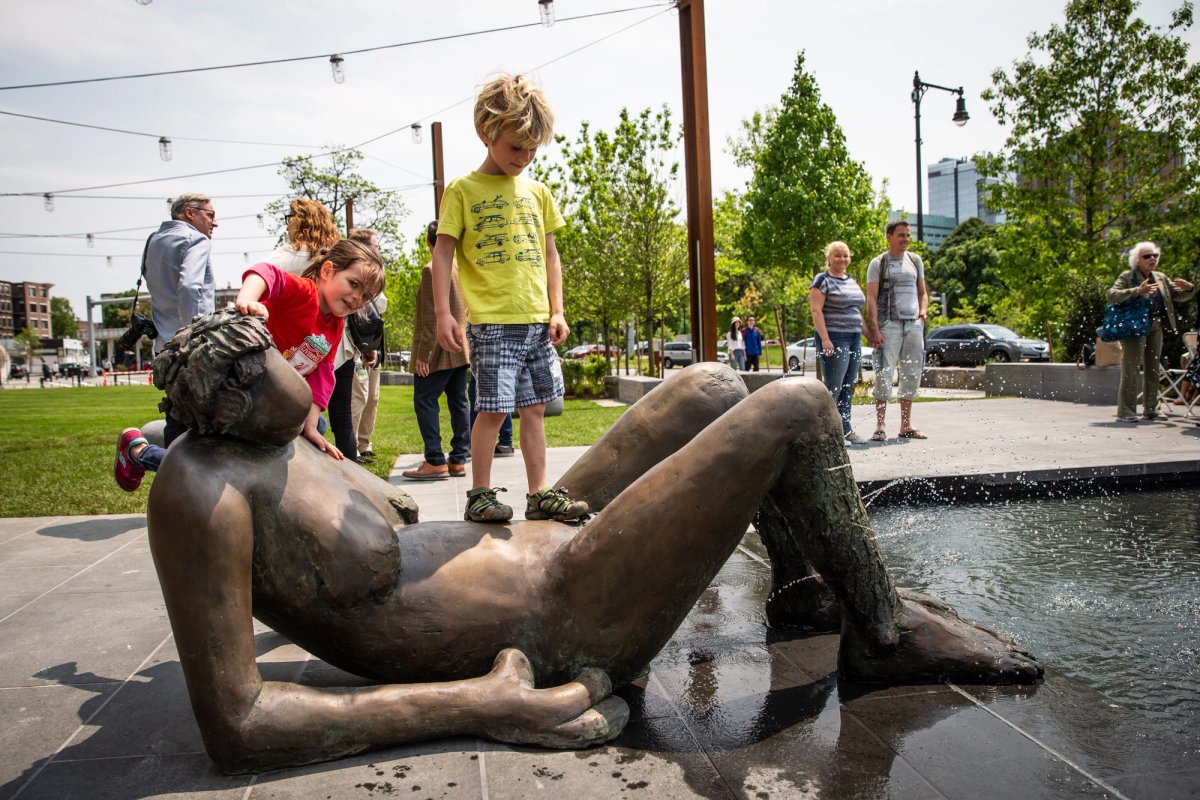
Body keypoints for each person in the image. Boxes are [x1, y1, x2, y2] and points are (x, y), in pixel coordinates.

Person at [142, 312, 1042, 775]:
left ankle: (803, 588)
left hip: (534, 537)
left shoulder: (271, 437)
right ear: (224, 404)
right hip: (553, 606)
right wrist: (476, 704)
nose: (287, 367)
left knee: (709, 384)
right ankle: (882, 637)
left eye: (269, 352)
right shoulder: (202, 492)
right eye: (259, 367)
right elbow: (239, 723)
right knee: (800, 408)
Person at [431, 73, 586, 523]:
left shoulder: (537, 192)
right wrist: (445, 313)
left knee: (535, 408)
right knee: (494, 410)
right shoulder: (462, 191)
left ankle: (539, 493)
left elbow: (550, 254)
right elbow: (444, 255)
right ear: (486, 134)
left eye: (532, 149)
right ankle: (480, 493)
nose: (524, 158)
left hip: (537, 321)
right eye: (515, 147)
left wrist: (557, 309)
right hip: (493, 323)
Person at [234, 239, 386, 459]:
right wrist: (247, 300)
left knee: (318, 426)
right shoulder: (304, 292)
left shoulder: (336, 324)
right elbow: (266, 272)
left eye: (365, 296)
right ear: (327, 271)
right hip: (246, 381)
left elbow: (323, 373)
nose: (357, 298)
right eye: (353, 284)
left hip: (273, 394)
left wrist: (311, 427)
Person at [113, 192, 216, 491]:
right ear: (189, 213)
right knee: (203, 424)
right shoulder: (197, 241)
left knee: (177, 420)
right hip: (192, 348)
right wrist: (192, 333)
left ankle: (173, 487)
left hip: (164, 348)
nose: (214, 222)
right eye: (210, 215)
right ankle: (141, 454)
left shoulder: (153, 241)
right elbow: (190, 286)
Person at [403, 220, 471, 480]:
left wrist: (423, 355)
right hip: (460, 346)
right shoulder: (460, 267)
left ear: (428, 242)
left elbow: (431, 318)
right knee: (459, 401)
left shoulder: (431, 269)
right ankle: (458, 459)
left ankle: (434, 460)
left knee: (424, 400)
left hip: (438, 349)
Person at [1108, 242, 1196, 422]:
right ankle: (1126, 412)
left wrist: (1190, 289)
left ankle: (1152, 409)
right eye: (1147, 256)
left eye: (1154, 255)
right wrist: (1137, 291)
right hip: (1134, 328)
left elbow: (1178, 296)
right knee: (1131, 369)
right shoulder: (1128, 276)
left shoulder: (1161, 277)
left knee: (1154, 368)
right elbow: (1111, 295)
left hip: (1155, 326)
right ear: (1137, 260)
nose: (1152, 259)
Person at [865, 220, 928, 442]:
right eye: (901, 235)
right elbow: (871, 298)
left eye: (908, 235)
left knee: (911, 373)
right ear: (889, 237)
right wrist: (874, 327)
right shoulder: (878, 263)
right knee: (884, 374)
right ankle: (880, 426)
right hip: (888, 324)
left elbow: (923, 292)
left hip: (913, 324)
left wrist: (922, 316)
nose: (906, 239)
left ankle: (906, 424)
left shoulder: (915, 260)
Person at [810, 241, 867, 445]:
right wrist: (825, 339)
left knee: (847, 386)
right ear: (829, 258)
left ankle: (845, 429)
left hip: (854, 338)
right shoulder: (822, 280)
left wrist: (870, 335)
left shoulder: (851, 280)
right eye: (837, 255)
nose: (842, 259)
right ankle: (826, 433)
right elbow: (816, 311)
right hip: (835, 338)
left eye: (845, 255)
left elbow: (856, 312)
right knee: (833, 386)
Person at [344, 227, 386, 464]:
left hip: (373, 340)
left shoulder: (377, 271)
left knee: (373, 396)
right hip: (356, 342)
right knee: (358, 395)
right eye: (375, 245)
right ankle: (353, 448)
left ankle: (365, 442)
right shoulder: (354, 273)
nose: (377, 249)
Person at [268, 198, 341, 274]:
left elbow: (259, 270)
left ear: (301, 222)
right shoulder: (337, 257)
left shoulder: (282, 257)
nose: (287, 228)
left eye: (289, 219)